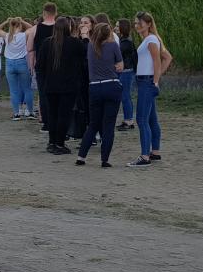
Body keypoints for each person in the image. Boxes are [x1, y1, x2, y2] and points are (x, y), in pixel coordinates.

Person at [76, 23, 124, 168]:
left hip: (95, 87)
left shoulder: (91, 46)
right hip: (111, 84)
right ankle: (104, 159)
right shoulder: (113, 46)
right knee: (108, 125)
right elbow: (120, 66)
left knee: (93, 124)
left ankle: (81, 156)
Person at [128, 11, 172, 168]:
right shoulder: (149, 39)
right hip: (145, 81)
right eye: (135, 23)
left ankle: (145, 156)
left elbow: (158, 61)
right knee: (152, 119)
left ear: (147, 23)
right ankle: (155, 151)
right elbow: (168, 57)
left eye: (139, 22)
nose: (136, 25)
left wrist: (155, 80)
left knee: (141, 119)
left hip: (147, 82)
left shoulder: (152, 39)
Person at [37, 17, 85, 155]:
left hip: (51, 86)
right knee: (64, 115)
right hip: (69, 86)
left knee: (53, 114)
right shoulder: (75, 43)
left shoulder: (47, 43)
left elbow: (39, 66)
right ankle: (59, 142)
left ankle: (52, 142)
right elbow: (84, 57)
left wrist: (45, 80)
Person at [28, 3, 58, 131]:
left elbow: (30, 49)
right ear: (55, 13)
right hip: (58, 65)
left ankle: (46, 123)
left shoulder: (35, 29)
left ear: (44, 13)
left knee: (43, 94)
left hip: (41, 66)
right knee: (57, 93)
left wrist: (31, 66)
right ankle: (56, 120)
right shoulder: (60, 27)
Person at [0, 18, 35, 120]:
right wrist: (22, 21)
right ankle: (30, 111)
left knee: (13, 90)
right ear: (20, 26)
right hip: (22, 62)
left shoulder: (7, 36)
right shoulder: (23, 35)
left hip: (10, 64)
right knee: (27, 89)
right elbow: (32, 28)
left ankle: (16, 113)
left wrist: (6, 21)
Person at [116, 19, 137, 131]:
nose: (115, 28)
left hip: (126, 72)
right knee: (125, 96)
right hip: (126, 71)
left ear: (122, 28)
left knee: (125, 96)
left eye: (117, 26)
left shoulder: (126, 42)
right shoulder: (124, 40)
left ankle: (129, 121)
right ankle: (127, 120)